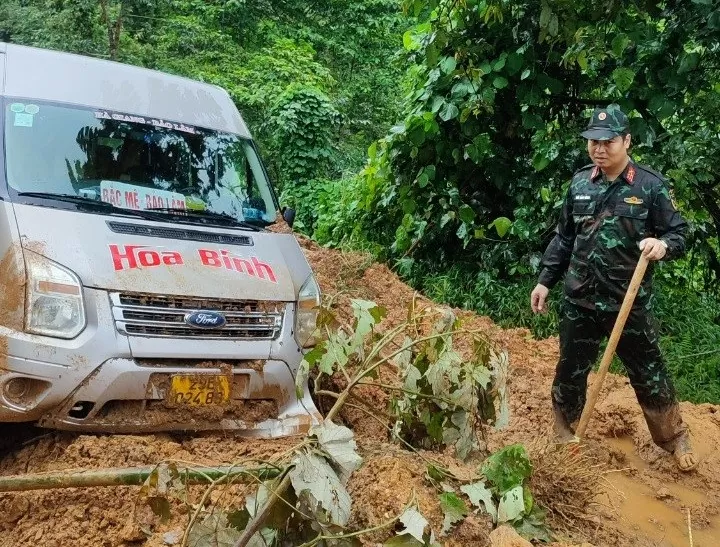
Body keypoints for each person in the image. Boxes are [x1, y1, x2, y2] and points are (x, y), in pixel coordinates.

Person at [530, 104, 698, 471]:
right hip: (580, 298)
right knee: (570, 370)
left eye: (608, 141)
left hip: (628, 302)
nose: (599, 149)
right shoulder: (579, 184)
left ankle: (673, 438)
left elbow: (680, 233)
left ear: (627, 141)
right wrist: (545, 280)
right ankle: (565, 434)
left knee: (648, 370)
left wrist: (663, 245)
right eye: (593, 142)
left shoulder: (650, 186)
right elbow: (563, 238)